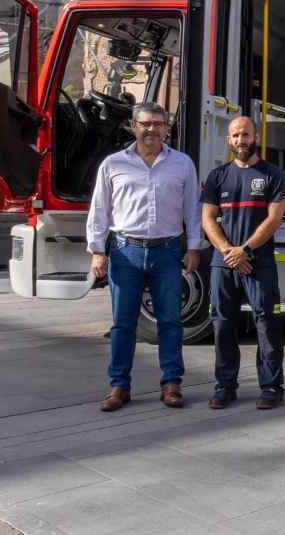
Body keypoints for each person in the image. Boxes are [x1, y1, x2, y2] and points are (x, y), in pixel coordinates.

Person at [86, 102, 201, 412]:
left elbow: (192, 209)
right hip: (125, 252)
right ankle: (119, 386)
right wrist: (98, 251)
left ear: (167, 128)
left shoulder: (182, 164)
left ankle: (172, 383)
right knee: (123, 324)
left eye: (158, 124)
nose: (152, 129)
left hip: (167, 252)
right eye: (145, 123)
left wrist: (193, 248)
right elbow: (100, 209)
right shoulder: (113, 164)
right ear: (133, 126)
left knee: (170, 322)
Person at [201, 116, 285, 409]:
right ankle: (225, 386)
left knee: (267, 323)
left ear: (256, 136)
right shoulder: (217, 176)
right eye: (236, 135)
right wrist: (230, 251)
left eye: (246, 134)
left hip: (259, 262)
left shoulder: (272, 175)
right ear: (229, 140)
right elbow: (208, 219)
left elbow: (274, 218)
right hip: (223, 262)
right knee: (223, 324)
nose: (242, 140)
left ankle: (271, 387)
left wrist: (246, 250)